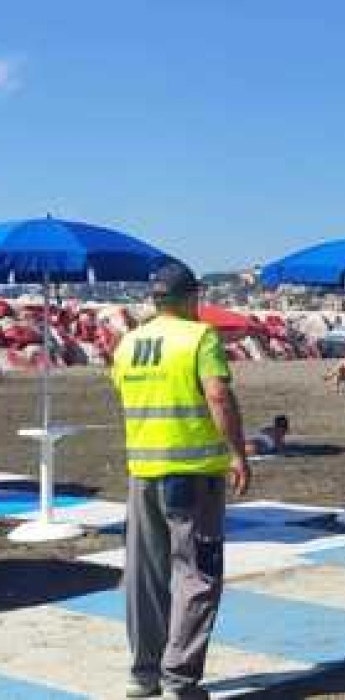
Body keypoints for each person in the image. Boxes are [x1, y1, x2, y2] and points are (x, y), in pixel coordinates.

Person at [113, 261, 250, 700]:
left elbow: (127, 394)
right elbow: (217, 395)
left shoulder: (129, 343)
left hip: (142, 474)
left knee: (144, 575)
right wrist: (238, 454)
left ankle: (143, 673)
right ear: (192, 298)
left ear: (155, 300)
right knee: (197, 575)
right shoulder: (200, 337)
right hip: (192, 476)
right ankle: (179, 678)